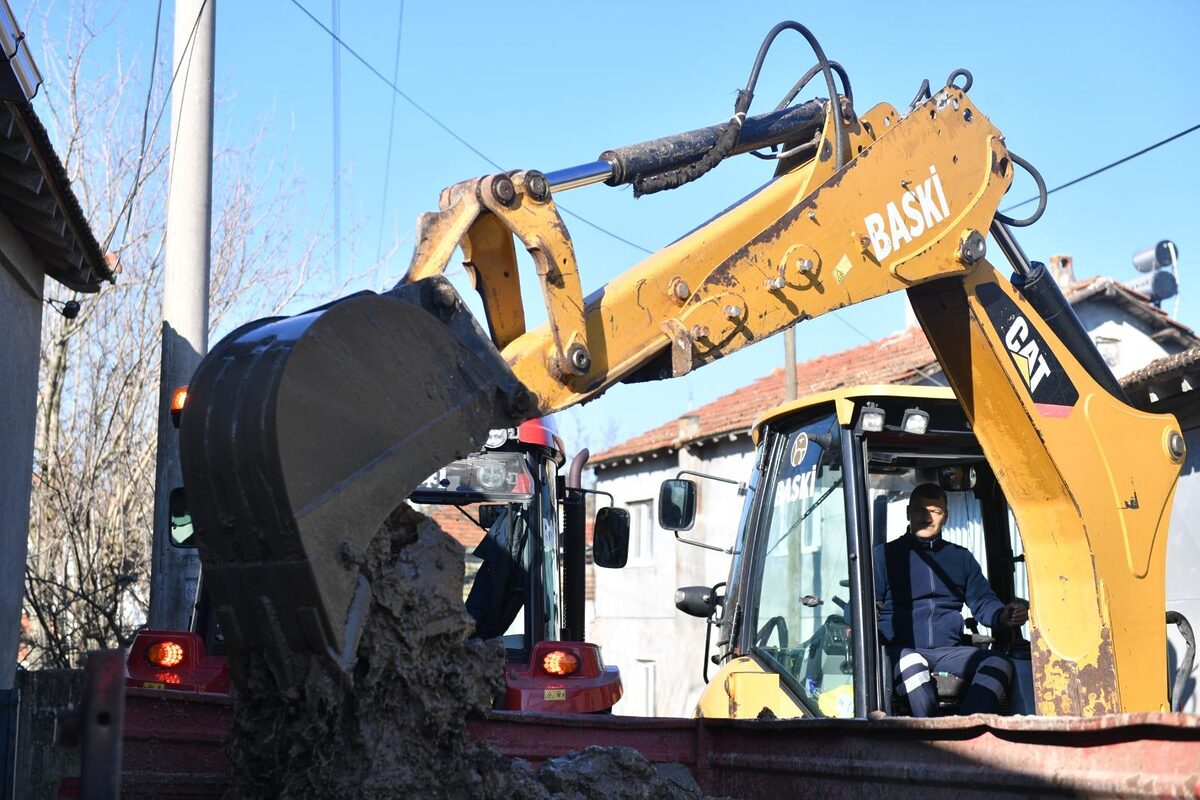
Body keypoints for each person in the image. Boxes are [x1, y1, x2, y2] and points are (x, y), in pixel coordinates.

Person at [874, 483, 1028, 716]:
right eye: (919, 511)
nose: (926, 517)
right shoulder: (884, 556)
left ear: (945, 516)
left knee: (999, 663)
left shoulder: (960, 558)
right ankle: (931, 736)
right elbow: (859, 607)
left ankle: (968, 730)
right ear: (908, 513)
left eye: (935, 511)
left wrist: (1003, 615)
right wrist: (869, 611)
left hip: (950, 651)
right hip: (903, 649)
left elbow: (983, 602)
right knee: (911, 664)